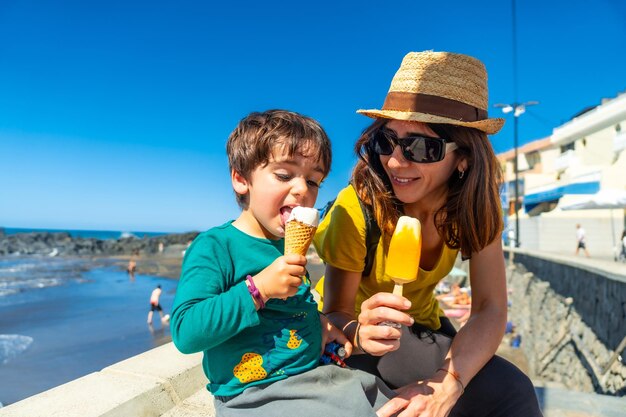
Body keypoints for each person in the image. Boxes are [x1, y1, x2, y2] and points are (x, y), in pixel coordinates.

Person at [314, 51, 542, 416]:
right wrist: (360, 329)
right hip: (358, 337)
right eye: (387, 141)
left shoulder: (473, 209)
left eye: (422, 147)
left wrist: (447, 382)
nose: (395, 161)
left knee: (513, 391)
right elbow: (336, 312)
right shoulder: (358, 207)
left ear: (463, 158)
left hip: (423, 330)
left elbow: (489, 307)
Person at [170, 110, 395, 417]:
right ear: (240, 179)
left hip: (315, 377)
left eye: (314, 181)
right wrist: (257, 290)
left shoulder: (289, 245)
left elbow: (295, 305)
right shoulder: (216, 246)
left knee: (394, 402)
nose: (303, 190)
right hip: (256, 394)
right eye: (285, 175)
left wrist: (320, 322)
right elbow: (186, 331)